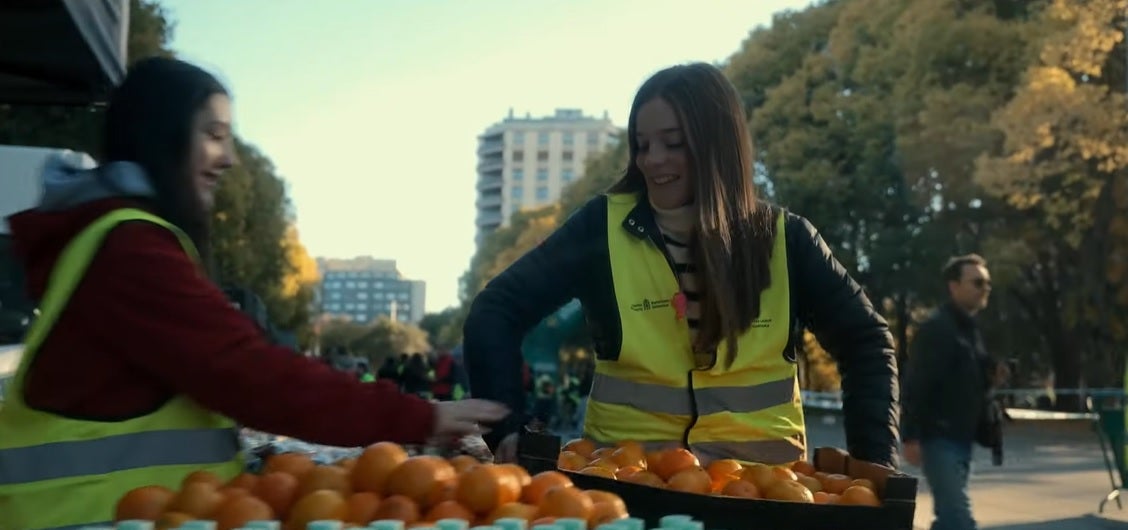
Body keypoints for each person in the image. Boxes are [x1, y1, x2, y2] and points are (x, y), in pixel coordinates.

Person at [0, 57, 507, 530]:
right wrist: (418, 417)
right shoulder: (129, 249)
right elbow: (249, 372)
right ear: (162, 136)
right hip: (90, 515)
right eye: (214, 135)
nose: (230, 159)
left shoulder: (113, 238)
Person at [464, 62, 899, 467]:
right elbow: (495, 311)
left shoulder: (788, 239)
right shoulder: (600, 228)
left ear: (717, 145)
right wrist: (508, 429)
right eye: (641, 145)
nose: (652, 159)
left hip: (764, 494)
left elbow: (866, 342)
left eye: (673, 143)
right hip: (625, 488)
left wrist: (874, 468)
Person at [902, 254, 1005, 530]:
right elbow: (917, 384)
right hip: (938, 438)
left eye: (987, 284)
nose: (985, 289)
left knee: (949, 520)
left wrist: (991, 376)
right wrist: (910, 435)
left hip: (962, 438)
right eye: (977, 282)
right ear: (954, 286)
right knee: (959, 519)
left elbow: (970, 384)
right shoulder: (937, 329)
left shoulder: (970, 330)